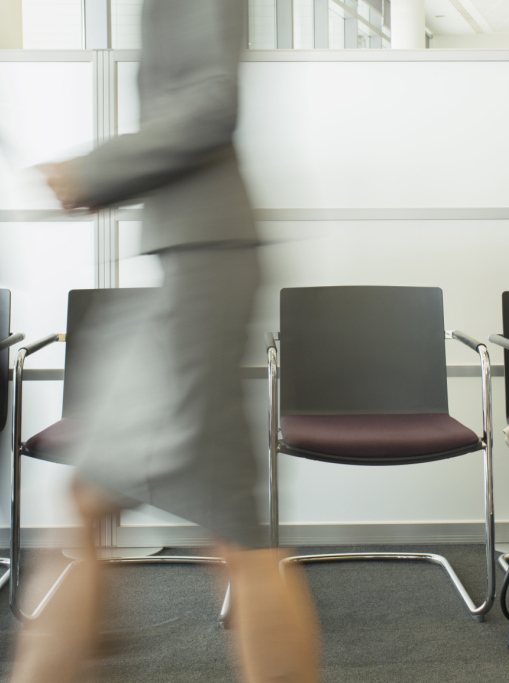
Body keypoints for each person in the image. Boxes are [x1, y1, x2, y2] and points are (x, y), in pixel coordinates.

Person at [11, 1, 320, 681]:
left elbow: (212, 105)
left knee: (198, 520)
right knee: (200, 521)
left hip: (206, 259)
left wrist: (94, 172)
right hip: (195, 258)